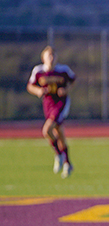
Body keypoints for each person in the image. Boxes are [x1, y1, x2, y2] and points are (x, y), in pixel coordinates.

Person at [27, 45, 76, 177]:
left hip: (61, 103)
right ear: (43, 58)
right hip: (48, 104)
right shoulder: (38, 71)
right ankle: (67, 163)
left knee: (46, 130)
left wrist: (66, 90)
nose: (51, 58)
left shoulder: (63, 70)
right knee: (59, 133)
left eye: (53, 55)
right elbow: (30, 86)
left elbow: (73, 80)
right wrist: (38, 91)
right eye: (49, 56)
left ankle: (58, 154)